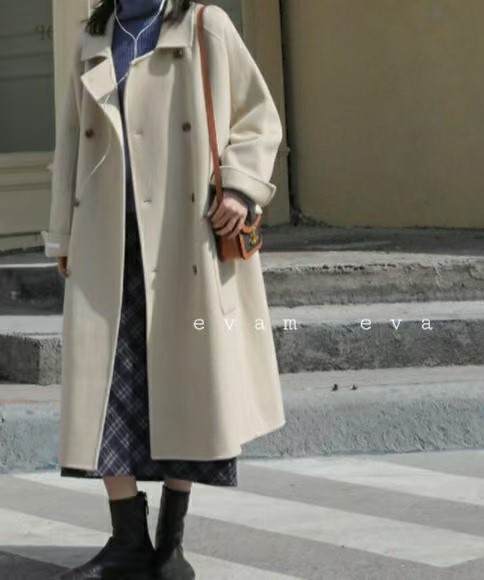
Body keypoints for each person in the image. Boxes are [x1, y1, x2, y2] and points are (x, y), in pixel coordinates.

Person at [41, 0, 286, 578]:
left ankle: (170, 544)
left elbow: (258, 117)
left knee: (188, 384)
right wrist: (62, 235)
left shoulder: (204, 25)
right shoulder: (92, 37)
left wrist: (240, 188)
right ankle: (127, 540)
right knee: (105, 393)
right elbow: (70, 140)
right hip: (107, 241)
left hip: (182, 238)